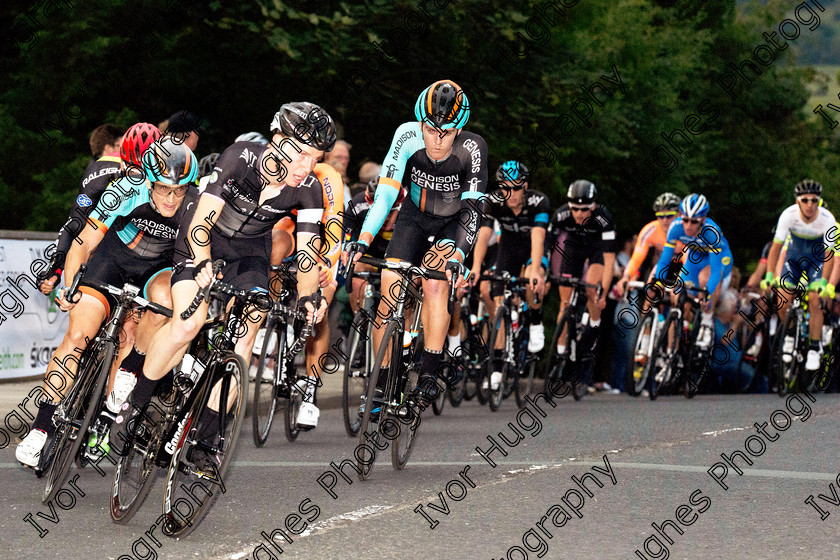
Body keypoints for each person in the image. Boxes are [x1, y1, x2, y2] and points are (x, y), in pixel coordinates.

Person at [111, 103, 335, 458]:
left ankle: (205, 435)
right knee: (189, 322)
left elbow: (307, 255)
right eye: (302, 154)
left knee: (247, 331)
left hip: (249, 252)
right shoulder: (240, 157)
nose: (307, 167)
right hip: (203, 236)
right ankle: (134, 406)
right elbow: (200, 224)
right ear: (279, 141)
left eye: (316, 158)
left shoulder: (309, 188)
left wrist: (309, 296)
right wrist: (202, 265)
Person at [16, 138, 198, 467]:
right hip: (111, 262)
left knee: (161, 303)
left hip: (157, 271)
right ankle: (41, 428)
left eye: (179, 190)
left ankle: (127, 373)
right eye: (163, 189)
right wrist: (69, 285)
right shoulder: (126, 189)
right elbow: (83, 244)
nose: (172, 199)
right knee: (77, 335)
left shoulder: (195, 204)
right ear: (148, 179)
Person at [345, 79, 487, 411]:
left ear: (460, 128)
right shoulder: (407, 134)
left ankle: (429, 372)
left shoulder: (473, 147)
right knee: (389, 286)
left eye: (447, 132)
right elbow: (386, 195)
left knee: (436, 283)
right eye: (431, 129)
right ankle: (382, 381)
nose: (437, 140)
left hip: (454, 222)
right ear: (420, 123)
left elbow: (473, 209)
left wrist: (460, 255)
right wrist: (363, 240)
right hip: (414, 216)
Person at [38, 123, 157, 294]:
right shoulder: (103, 170)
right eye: (133, 171)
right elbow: (75, 223)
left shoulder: (172, 175)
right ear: (123, 162)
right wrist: (56, 268)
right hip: (108, 248)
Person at [269, 161, 344, 428]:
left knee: (319, 309)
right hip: (293, 224)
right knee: (274, 245)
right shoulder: (282, 165)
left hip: (324, 235)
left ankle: (310, 393)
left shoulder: (327, 175)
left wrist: (324, 263)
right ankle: (273, 315)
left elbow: (334, 224)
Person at [469, 160, 549, 390]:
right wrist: (476, 267)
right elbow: (483, 235)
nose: (510, 193)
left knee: (534, 280)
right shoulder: (493, 201)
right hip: (509, 249)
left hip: (534, 246)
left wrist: (534, 271)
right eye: (505, 187)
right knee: (497, 300)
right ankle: (496, 368)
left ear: (525, 186)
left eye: (516, 187)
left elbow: (538, 237)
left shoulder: (538, 201)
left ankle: (535, 321)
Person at [761, 180, 836, 372]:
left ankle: (813, 347)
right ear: (798, 201)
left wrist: (825, 283)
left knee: (813, 298)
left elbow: (829, 256)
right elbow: (776, 248)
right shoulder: (788, 215)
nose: (810, 205)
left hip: (816, 261)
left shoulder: (827, 219)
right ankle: (789, 334)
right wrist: (769, 275)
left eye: (814, 200)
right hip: (794, 258)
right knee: (783, 295)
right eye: (805, 200)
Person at [545, 180, 616, 378]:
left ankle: (594, 323)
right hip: (573, 249)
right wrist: (544, 273)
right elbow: (547, 245)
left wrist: (604, 292)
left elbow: (609, 259)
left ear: (593, 206)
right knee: (565, 304)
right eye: (574, 208)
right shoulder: (561, 214)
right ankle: (560, 356)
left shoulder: (604, 218)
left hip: (596, 251)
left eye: (583, 210)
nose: (578, 214)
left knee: (592, 288)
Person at [653, 193, 733, 350]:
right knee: (677, 300)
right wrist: (658, 280)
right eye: (685, 220)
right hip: (694, 260)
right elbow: (664, 259)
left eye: (694, 221)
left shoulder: (712, 231)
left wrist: (707, 293)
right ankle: (671, 353)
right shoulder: (675, 227)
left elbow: (716, 271)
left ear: (703, 220)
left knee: (705, 279)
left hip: (718, 260)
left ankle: (706, 322)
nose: (688, 226)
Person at [324, 139, 352, 208]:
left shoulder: (346, 186)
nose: (343, 162)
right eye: (339, 157)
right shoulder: (318, 182)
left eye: (346, 158)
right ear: (327, 157)